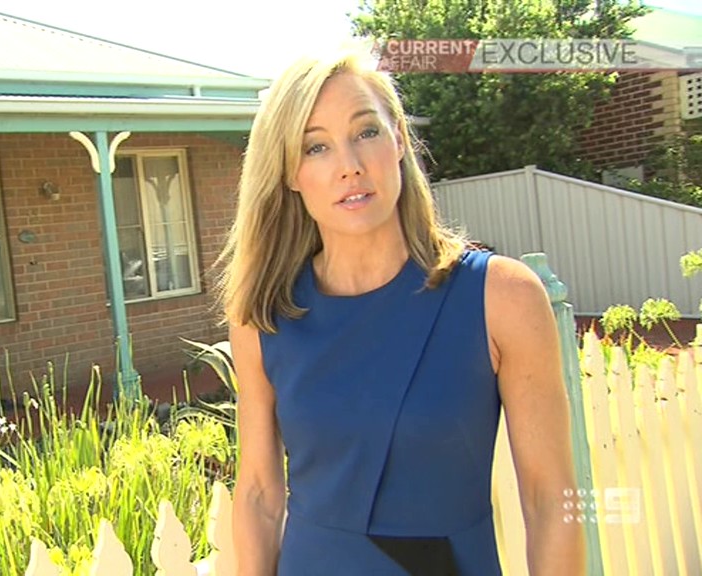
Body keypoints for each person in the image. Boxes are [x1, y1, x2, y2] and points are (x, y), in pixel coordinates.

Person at [215, 46, 586, 575]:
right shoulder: (263, 317)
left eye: (366, 132)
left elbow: (551, 501)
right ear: (290, 173)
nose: (350, 165)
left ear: (399, 140)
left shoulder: (501, 296)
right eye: (316, 147)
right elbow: (257, 493)